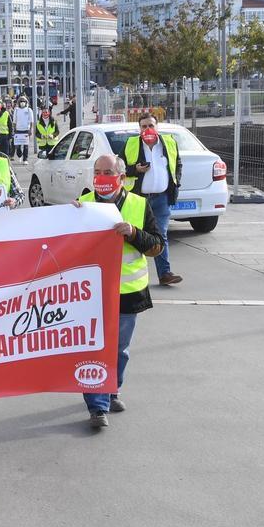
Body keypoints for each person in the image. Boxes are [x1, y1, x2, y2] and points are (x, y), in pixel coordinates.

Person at [72, 154, 163, 429]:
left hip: (127, 292)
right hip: (91, 293)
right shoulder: (83, 205)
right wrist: (69, 218)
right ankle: (97, 407)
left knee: (119, 350)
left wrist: (134, 233)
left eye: (107, 172)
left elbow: (157, 246)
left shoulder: (139, 205)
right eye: (97, 172)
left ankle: (112, 389)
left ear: (122, 177)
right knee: (95, 348)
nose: (101, 178)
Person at [123, 113, 183, 285]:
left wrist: (177, 181)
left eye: (151, 125)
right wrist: (135, 169)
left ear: (157, 127)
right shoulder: (131, 144)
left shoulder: (169, 142)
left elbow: (178, 163)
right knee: (134, 236)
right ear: (139, 129)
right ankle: (131, 274)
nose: (148, 129)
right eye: (144, 126)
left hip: (162, 199)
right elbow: (118, 167)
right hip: (138, 200)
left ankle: (165, 274)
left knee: (161, 236)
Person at [12, 97, 35, 163]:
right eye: (21, 101)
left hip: (26, 130)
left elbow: (31, 121)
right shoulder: (16, 110)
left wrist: (30, 130)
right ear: (19, 102)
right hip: (18, 130)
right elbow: (14, 121)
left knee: (26, 146)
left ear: (26, 102)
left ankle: (25, 159)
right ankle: (20, 155)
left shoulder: (29, 110)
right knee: (18, 146)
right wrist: (14, 130)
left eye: (23, 101)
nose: (22, 102)